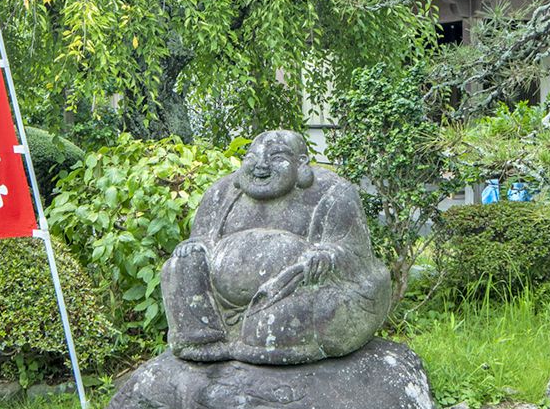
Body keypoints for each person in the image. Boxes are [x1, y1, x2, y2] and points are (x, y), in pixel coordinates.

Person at [161, 130, 391, 364]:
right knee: (178, 266)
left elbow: (356, 255)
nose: (261, 165)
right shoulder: (222, 192)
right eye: (252, 157)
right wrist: (196, 247)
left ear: (300, 163)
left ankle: (262, 340)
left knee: (272, 329)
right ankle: (202, 338)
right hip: (223, 295)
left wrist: (327, 256)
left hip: (292, 289)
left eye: (276, 157)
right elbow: (201, 238)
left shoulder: (333, 193)